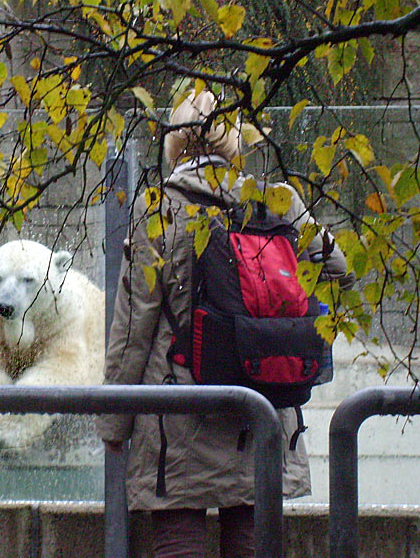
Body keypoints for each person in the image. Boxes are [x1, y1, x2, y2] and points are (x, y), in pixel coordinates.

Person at [97, 89, 354, 558]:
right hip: (260, 399)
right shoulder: (278, 201)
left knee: (179, 532)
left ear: (176, 142)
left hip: (180, 407)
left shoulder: (159, 209)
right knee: (252, 529)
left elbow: (134, 326)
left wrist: (114, 423)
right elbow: (340, 268)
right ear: (234, 143)